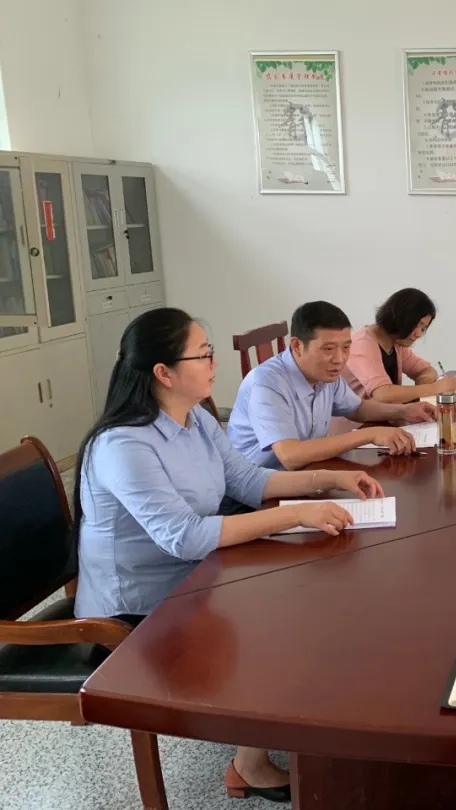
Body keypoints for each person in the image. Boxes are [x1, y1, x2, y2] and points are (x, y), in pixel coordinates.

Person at [74, 308, 385, 803]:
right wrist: (295, 515)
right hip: (138, 605)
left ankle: (312, 737)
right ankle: (251, 763)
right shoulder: (123, 444)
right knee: (287, 621)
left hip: (194, 575)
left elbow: (245, 479)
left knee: (315, 595)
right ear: (163, 373)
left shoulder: (195, 417)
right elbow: (184, 537)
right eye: (203, 355)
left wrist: (331, 479)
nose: (214, 363)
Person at [227, 301, 436, 471]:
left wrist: (405, 411)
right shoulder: (266, 384)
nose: (339, 359)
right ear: (297, 346)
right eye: (328, 349)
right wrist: (369, 434)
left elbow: (358, 408)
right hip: (257, 493)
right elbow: (291, 456)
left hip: (308, 473)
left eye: (346, 348)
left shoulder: (324, 373)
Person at [344, 288, 456, 403]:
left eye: (423, 329)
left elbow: (427, 370)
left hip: (389, 413)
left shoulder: (396, 344)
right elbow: (383, 395)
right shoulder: (362, 343)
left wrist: (424, 381)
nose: (418, 334)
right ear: (401, 317)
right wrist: (434, 388)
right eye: (416, 325)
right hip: (363, 415)